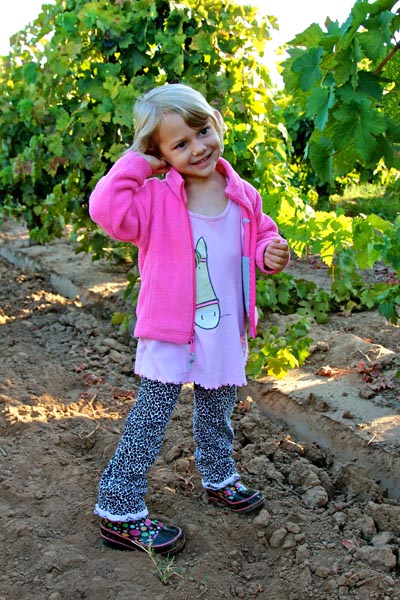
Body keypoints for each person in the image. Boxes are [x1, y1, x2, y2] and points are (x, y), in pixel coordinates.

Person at [89, 83, 290, 556]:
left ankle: (219, 477)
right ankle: (119, 510)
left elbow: (260, 238)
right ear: (159, 153)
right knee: (151, 417)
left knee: (217, 409)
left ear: (215, 123)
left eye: (201, 132)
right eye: (179, 144)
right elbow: (104, 208)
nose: (197, 147)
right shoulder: (154, 199)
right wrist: (139, 162)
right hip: (171, 328)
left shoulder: (242, 194)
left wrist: (269, 252)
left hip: (223, 328)